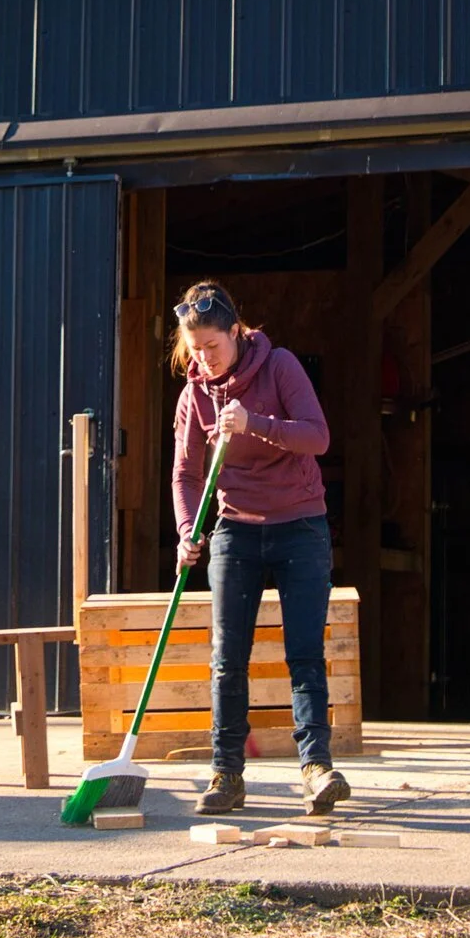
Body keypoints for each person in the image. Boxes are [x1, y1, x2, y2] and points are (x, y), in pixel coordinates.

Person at [170, 280, 347, 817]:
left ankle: (316, 769)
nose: (204, 359)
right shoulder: (195, 393)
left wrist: (256, 424)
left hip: (300, 523)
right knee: (227, 659)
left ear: (235, 331)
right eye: (195, 350)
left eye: (213, 347)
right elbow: (185, 473)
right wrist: (187, 531)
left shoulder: (280, 367)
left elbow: (317, 438)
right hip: (235, 530)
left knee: (303, 654)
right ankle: (226, 774)